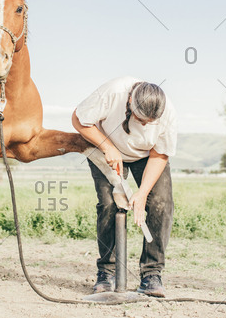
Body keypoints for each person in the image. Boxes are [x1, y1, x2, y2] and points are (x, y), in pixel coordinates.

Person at [72, 76, 177, 297]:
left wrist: (142, 193)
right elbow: (79, 119)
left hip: (146, 156)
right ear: (130, 101)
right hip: (105, 149)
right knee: (110, 203)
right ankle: (107, 272)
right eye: (141, 120)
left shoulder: (168, 112)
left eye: (150, 122)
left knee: (161, 203)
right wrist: (107, 146)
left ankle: (151, 274)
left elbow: (160, 154)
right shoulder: (112, 93)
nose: (146, 125)